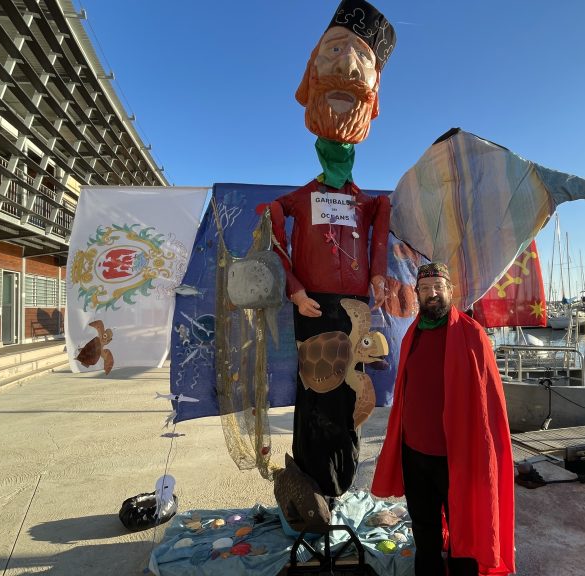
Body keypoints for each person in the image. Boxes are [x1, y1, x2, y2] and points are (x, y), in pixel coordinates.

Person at [269, 0, 395, 499]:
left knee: (351, 394)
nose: (346, 66)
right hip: (314, 305)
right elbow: (273, 230)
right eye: (335, 52)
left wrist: (379, 277)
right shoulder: (300, 198)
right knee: (315, 390)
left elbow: (380, 221)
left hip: (356, 310)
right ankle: (311, 485)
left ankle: (341, 488)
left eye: (360, 57)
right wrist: (295, 291)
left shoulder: (367, 202)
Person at [371, 262, 516, 576]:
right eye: (424, 289)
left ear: (450, 291)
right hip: (414, 452)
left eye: (437, 287)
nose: (431, 294)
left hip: (456, 457)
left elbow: (488, 405)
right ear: (418, 295)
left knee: (464, 526)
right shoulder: (413, 333)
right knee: (424, 529)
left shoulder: (472, 334)